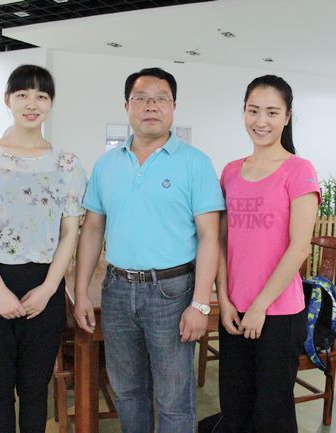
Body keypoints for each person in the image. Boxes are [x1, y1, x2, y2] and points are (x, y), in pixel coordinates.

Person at [73, 67, 224, 433]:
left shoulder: (195, 163)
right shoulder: (107, 165)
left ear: (174, 107)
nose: (150, 106)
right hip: (117, 290)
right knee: (127, 392)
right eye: (141, 98)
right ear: (127, 105)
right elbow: (92, 228)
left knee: (174, 399)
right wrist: (80, 293)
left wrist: (200, 304)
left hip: (172, 293)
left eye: (160, 99)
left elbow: (210, 237)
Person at [0, 64, 86, 433]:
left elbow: (70, 232)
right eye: (23, 94)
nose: (32, 103)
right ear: (7, 99)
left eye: (41, 96)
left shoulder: (67, 164)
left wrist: (49, 289)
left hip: (44, 284)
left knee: (35, 388)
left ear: (51, 103)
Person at [216, 75, 320, 433]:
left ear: (287, 117)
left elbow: (300, 246)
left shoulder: (299, 170)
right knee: (235, 408)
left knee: (272, 414)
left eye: (272, 112)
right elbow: (221, 242)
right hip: (234, 311)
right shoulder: (231, 171)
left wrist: (260, 305)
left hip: (278, 313)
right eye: (253, 111)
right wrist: (224, 300)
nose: (261, 121)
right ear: (244, 112)